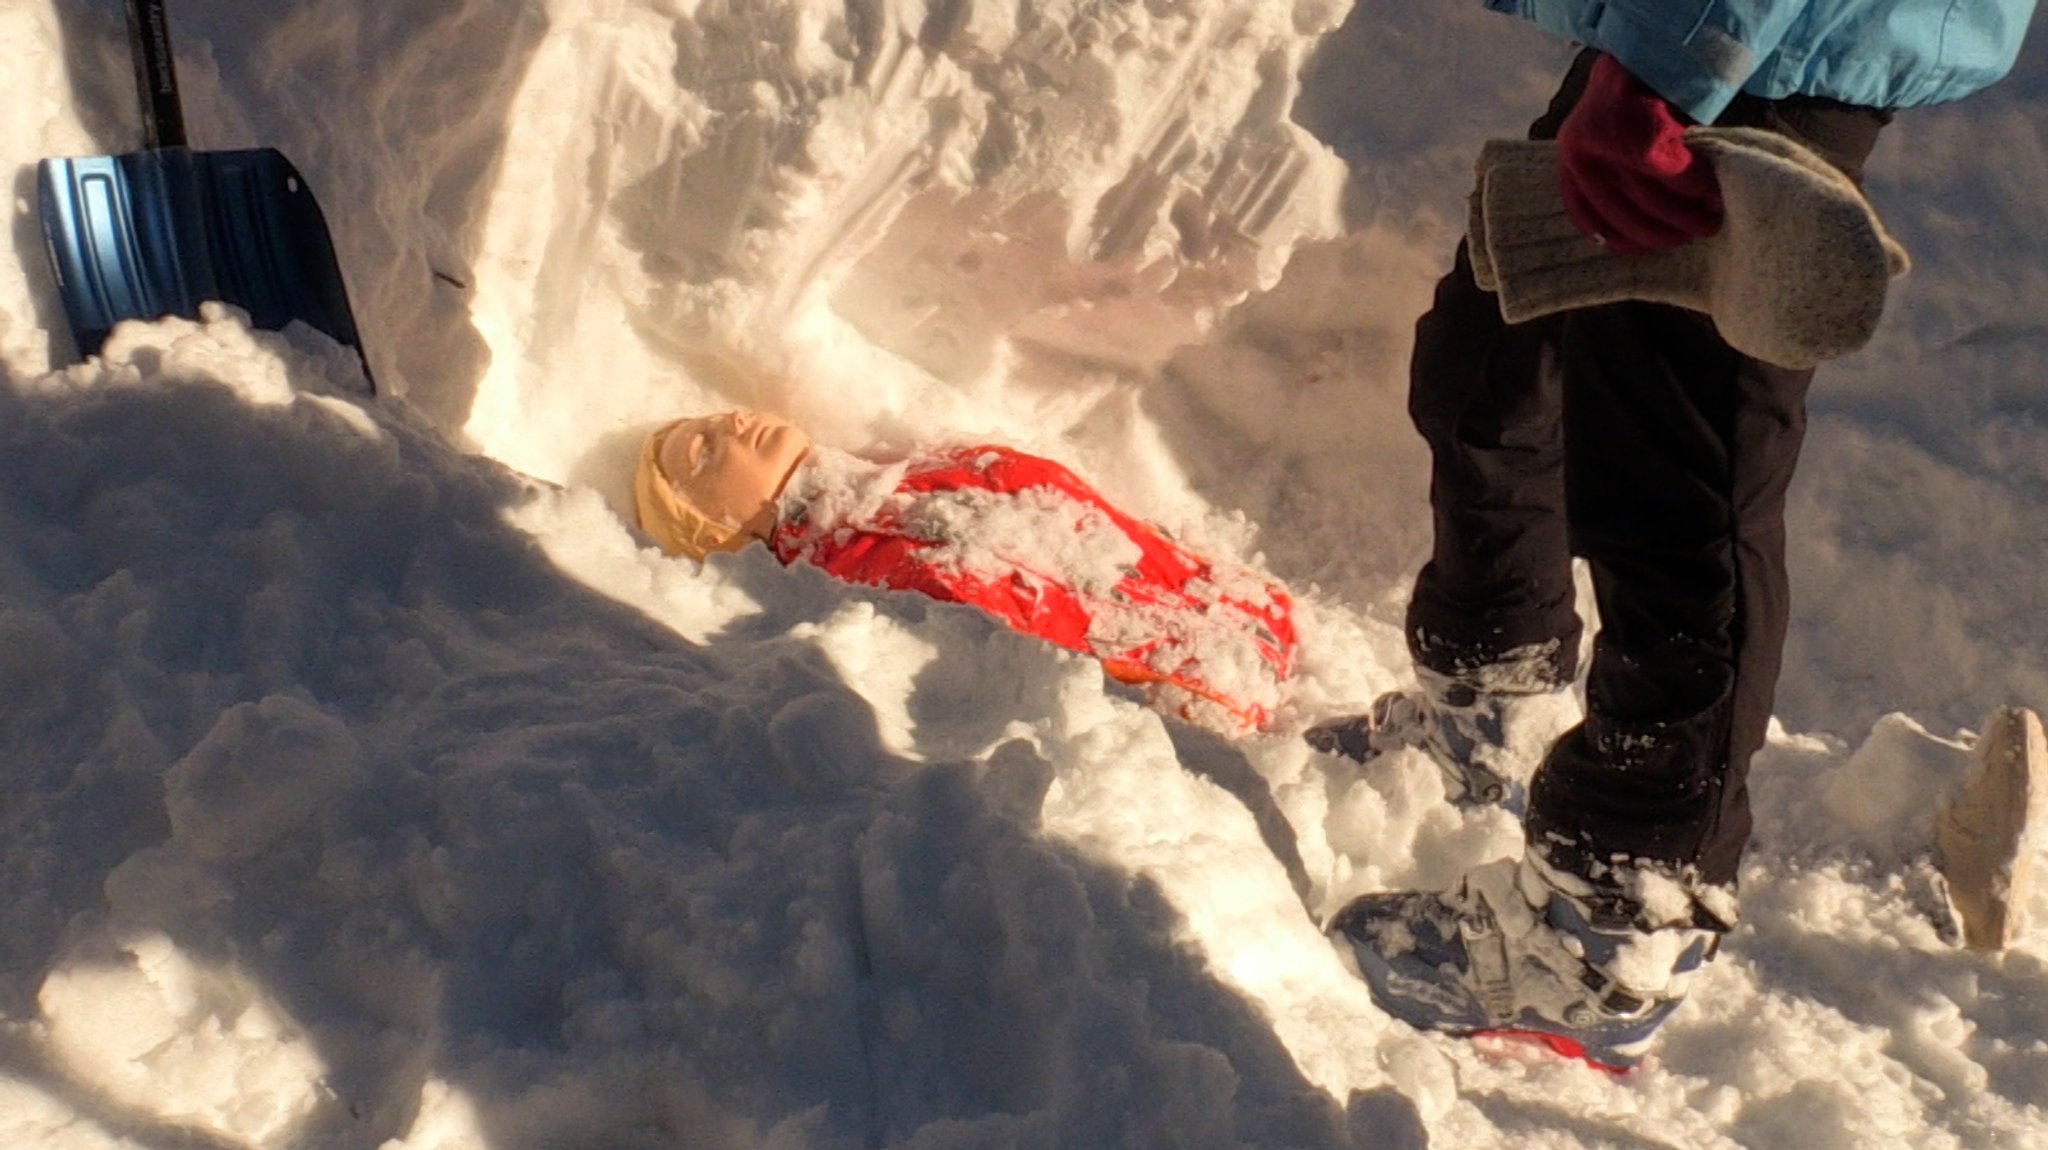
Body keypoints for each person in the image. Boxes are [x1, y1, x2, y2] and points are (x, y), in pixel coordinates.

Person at [1310, 3, 2040, 1071]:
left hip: (1756, 54)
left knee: (1679, 490)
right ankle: (1486, 706)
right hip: (1698, 45)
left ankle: (1614, 924)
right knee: (1495, 356)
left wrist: (1671, 57)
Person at [633, 410, 1296, 732]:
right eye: (704, 452)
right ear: (720, 526)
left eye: (715, 419)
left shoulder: (904, 475)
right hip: (1213, 694)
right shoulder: (850, 577)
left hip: (1240, 613)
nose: (731, 425)